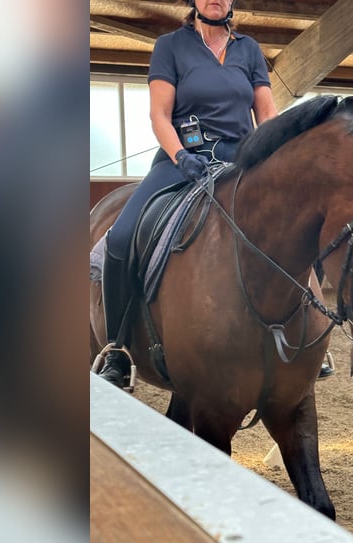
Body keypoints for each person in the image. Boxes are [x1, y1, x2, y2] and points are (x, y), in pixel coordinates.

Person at [97, 0, 277, 386]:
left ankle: (297, 339)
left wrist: (270, 159)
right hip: (183, 160)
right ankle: (117, 349)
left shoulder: (249, 49)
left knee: (293, 224)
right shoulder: (171, 46)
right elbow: (159, 115)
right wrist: (180, 156)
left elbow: (266, 114)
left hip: (241, 162)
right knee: (122, 237)